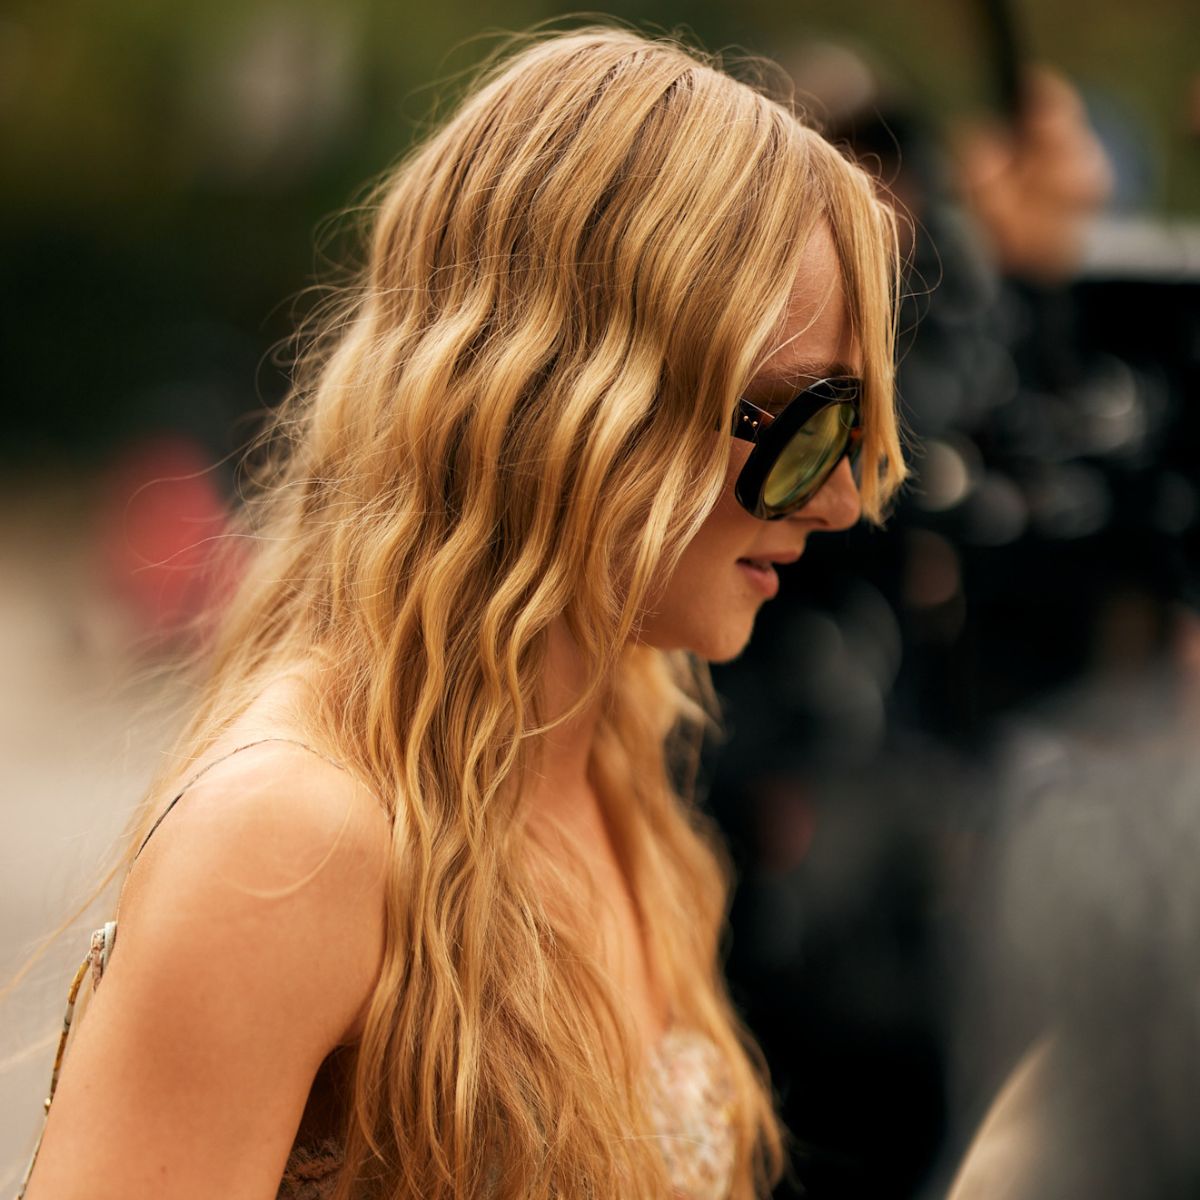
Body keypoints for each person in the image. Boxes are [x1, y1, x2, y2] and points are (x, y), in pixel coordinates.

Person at [18, 25, 906, 1200]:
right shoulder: (294, 837)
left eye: (855, 429)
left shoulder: (617, 742)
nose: (844, 497)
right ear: (573, 399)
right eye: (803, 423)